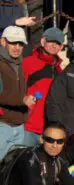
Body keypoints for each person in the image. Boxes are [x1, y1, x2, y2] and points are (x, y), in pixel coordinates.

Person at [22, 27, 64, 145]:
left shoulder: (59, 70)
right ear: (43, 42)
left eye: (57, 43)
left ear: (61, 47)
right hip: (28, 126)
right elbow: (15, 88)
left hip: (49, 130)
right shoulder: (28, 62)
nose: (54, 45)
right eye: (51, 41)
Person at [0, 26, 34, 162]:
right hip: (3, 125)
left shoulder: (19, 63)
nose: (17, 47)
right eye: (14, 42)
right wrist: (22, 99)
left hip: (19, 125)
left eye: (20, 44)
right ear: (3, 42)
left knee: (11, 170)